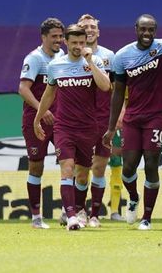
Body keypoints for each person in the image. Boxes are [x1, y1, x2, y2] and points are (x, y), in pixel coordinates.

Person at [102, 14, 162, 230]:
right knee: (128, 168)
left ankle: (147, 218)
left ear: (156, 30)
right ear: (136, 29)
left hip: (157, 116)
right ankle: (134, 197)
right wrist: (110, 129)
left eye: (151, 30)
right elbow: (118, 93)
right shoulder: (122, 56)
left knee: (152, 163)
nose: (147, 34)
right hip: (132, 119)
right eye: (143, 29)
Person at [34, 24, 110, 231]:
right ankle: (71, 217)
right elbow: (49, 94)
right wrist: (37, 118)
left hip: (88, 128)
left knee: (83, 175)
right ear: (66, 42)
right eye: (74, 42)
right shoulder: (56, 66)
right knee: (67, 169)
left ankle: (78, 209)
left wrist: (90, 62)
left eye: (81, 42)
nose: (78, 46)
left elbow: (105, 86)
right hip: (64, 127)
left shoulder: (95, 61)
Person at [67, 14, 120, 227]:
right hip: (80, 121)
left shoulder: (109, 56)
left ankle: (95, 215)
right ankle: (79, 211)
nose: (89, 30)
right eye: (84, 27)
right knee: (81, 171)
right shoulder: (70, 58)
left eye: (92, 27)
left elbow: (117, 88)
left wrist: (119, 115)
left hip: (104, 119)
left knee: (99, 167)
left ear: (98, 31)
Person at [19, 17, 65, 229]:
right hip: (36, 120)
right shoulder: (35, 58)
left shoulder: (63, 56)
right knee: (36, 166)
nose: (58, 40)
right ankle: (36, 217)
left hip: (60, 120)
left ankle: (68, 213)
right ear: (43, 37)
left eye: (60, 36)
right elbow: (23, 89)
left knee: (69, 161)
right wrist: (41, 109)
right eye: (54, 36)